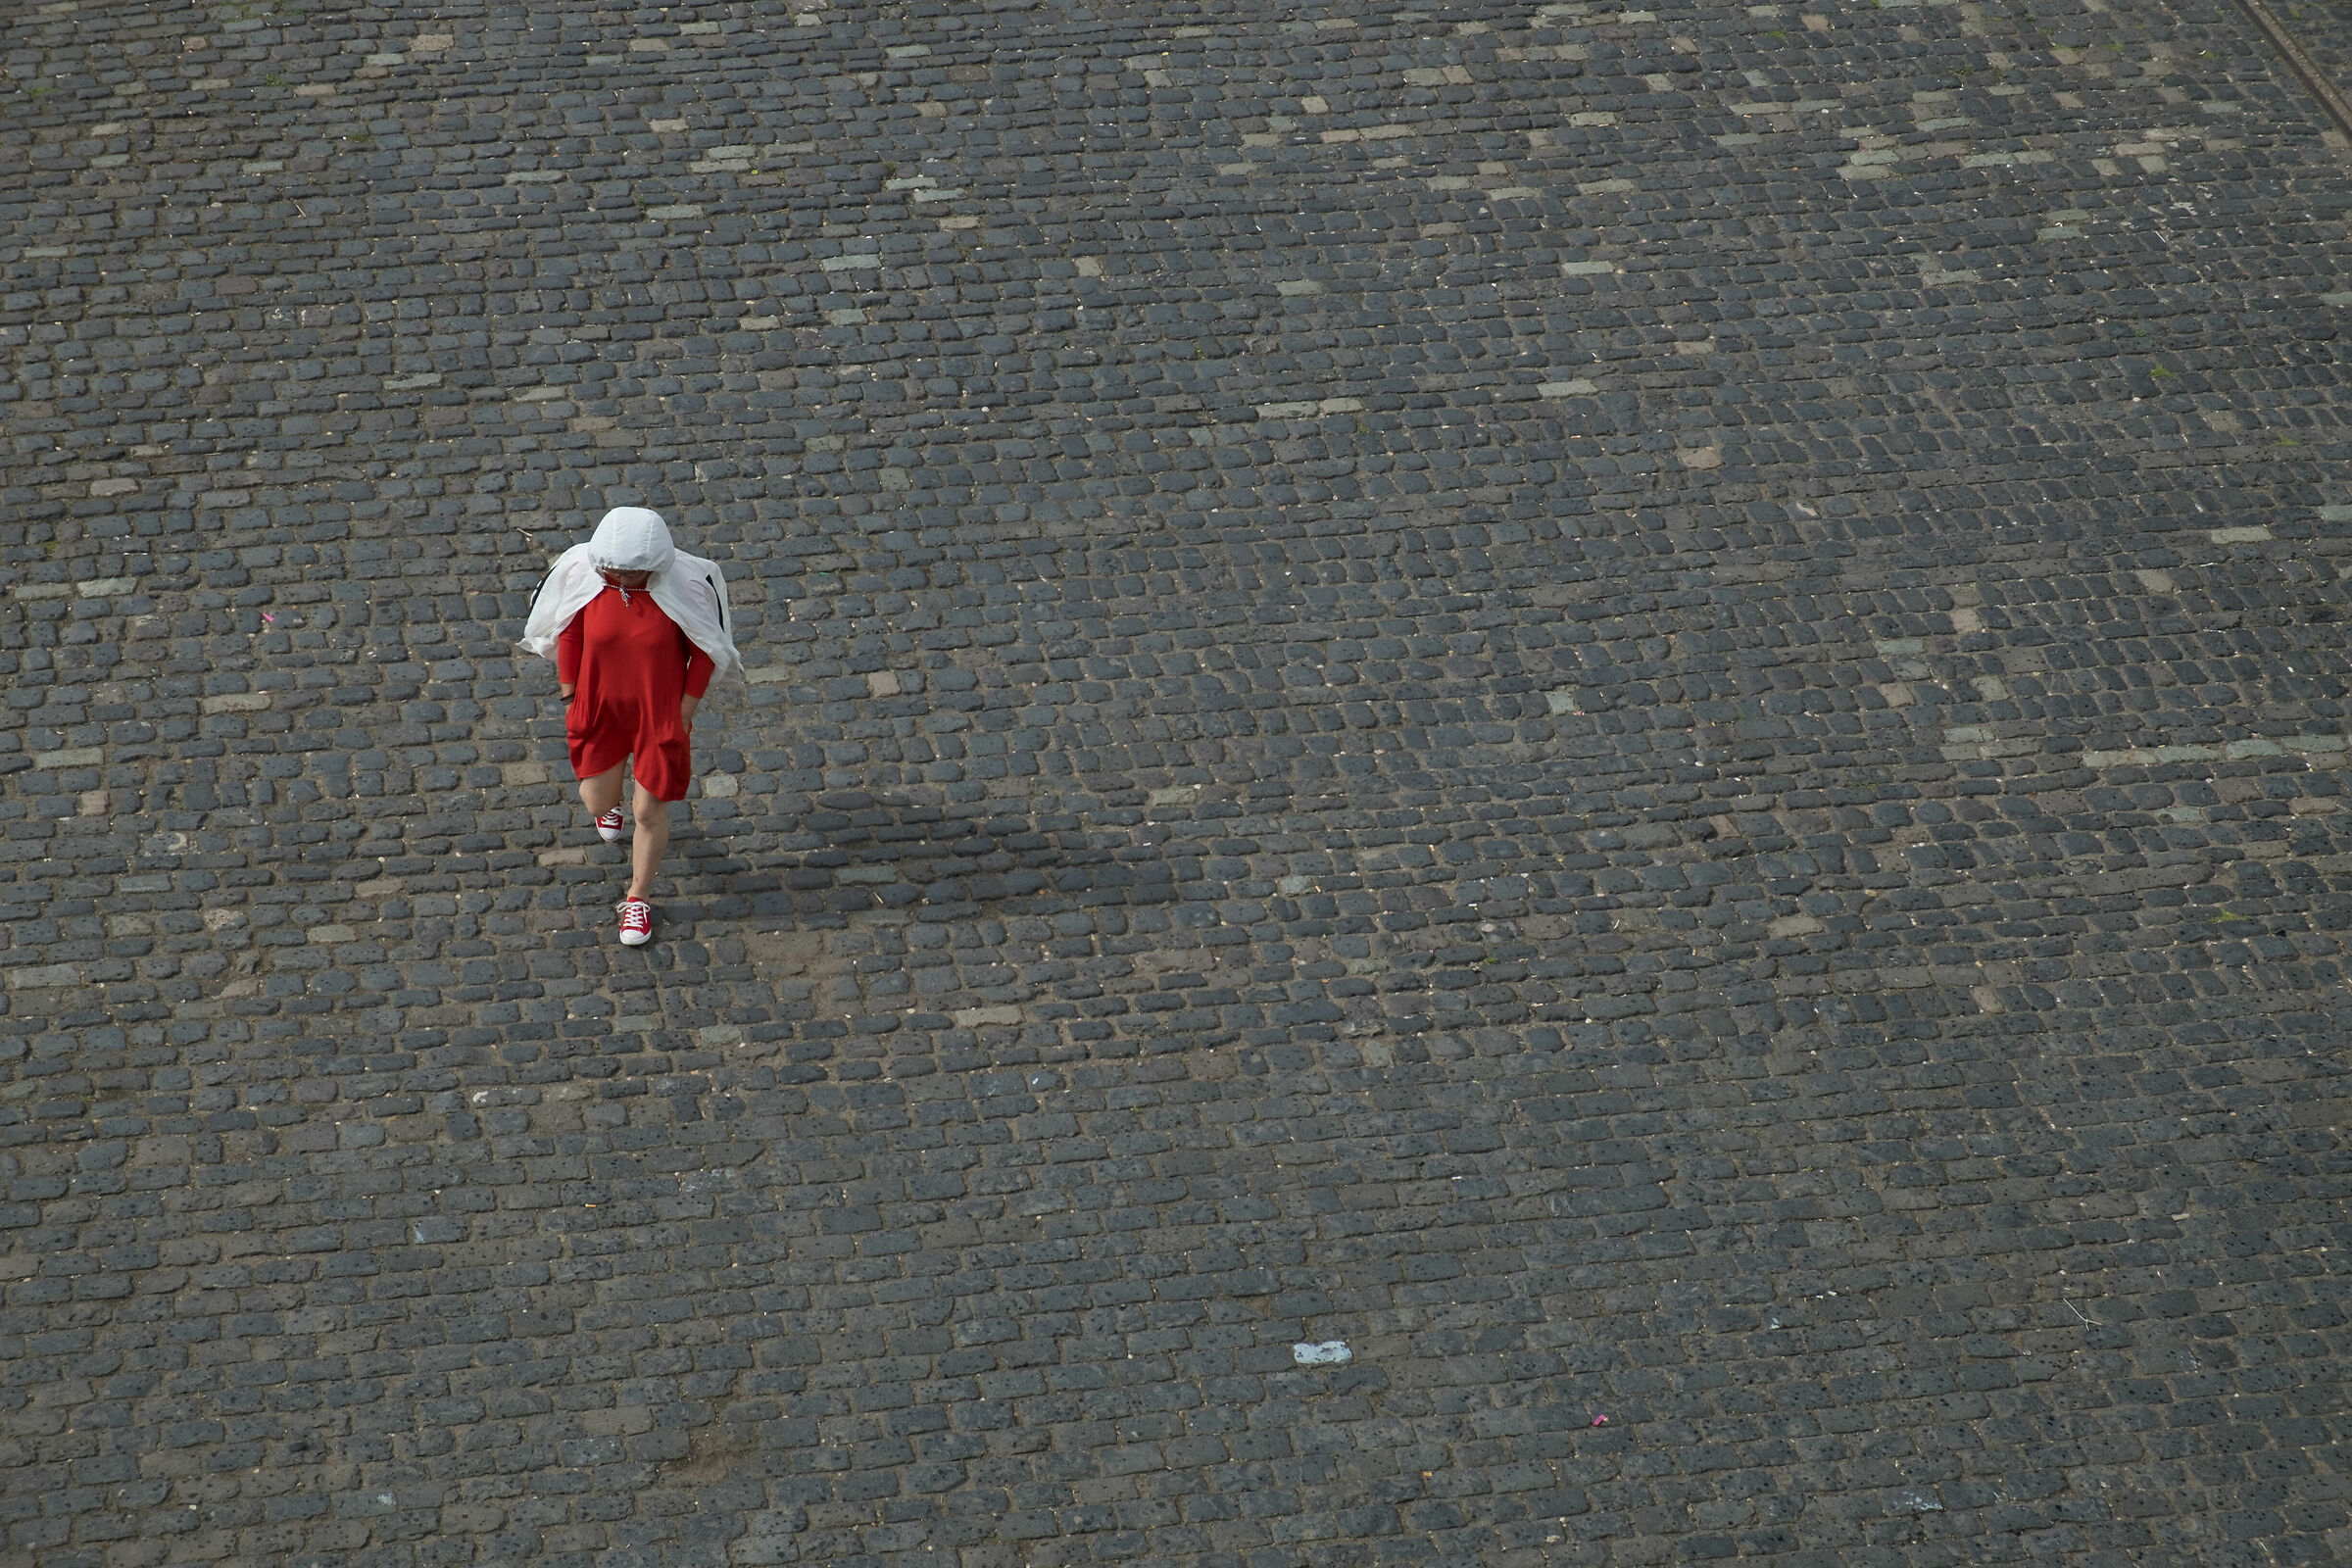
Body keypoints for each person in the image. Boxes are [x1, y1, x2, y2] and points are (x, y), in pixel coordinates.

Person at [518, 508, 742, 945]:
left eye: (630, 572)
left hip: (659, 714)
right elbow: (571, 635)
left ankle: (638, 897)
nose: (619, 578)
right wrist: (570, 697)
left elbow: (704, 653)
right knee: (596, 801)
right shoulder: (587, 580)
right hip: (600, 707)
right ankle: (612, 806)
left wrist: (683, 714)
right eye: (614, 570)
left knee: (647, 811)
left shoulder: (684, 589)